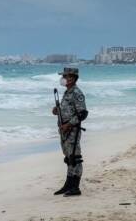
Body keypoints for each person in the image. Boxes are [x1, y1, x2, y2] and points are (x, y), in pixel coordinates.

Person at [52, 67, 88, 196]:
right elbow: (69, 110)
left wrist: (69, 125)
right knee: (69, 158)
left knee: (75, 158)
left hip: (72, 130)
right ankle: (68, 184)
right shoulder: (67, 92)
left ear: (72, 78)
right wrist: (58, 110)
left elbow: (82, 113)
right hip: (64, 130)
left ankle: (75, 187)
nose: (63, 79)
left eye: (65, 76)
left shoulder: (77, 93)